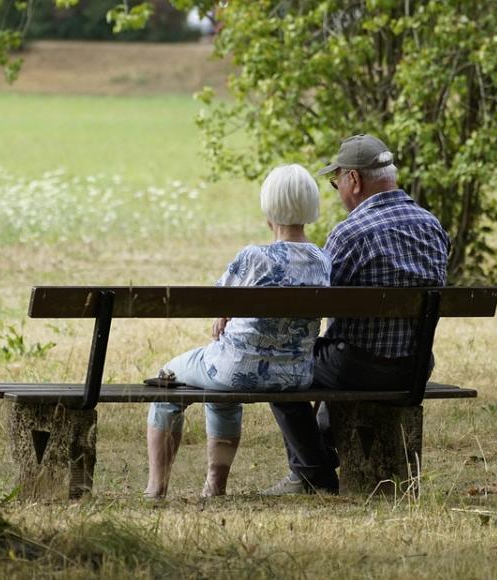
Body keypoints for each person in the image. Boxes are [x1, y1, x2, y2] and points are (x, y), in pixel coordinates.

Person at [264, 134, 451, 495]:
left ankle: (313, 473)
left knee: (278, 366)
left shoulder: (350, 233)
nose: (338, 192)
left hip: (358, 368)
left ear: (354, 179)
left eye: (336, 183)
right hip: (415, 367)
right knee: (335, 353)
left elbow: (316, 303)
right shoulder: (433, 227)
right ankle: (319, 456)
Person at [144, 163, 333, 499]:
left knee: (167, 378)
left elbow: (217, 305)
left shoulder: (253, 257)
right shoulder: (322, 260)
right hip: (294, 376)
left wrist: (224, 314)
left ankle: (156, 488)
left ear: (269, 207)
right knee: (219, 387)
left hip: (235, 370)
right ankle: (214, 486)